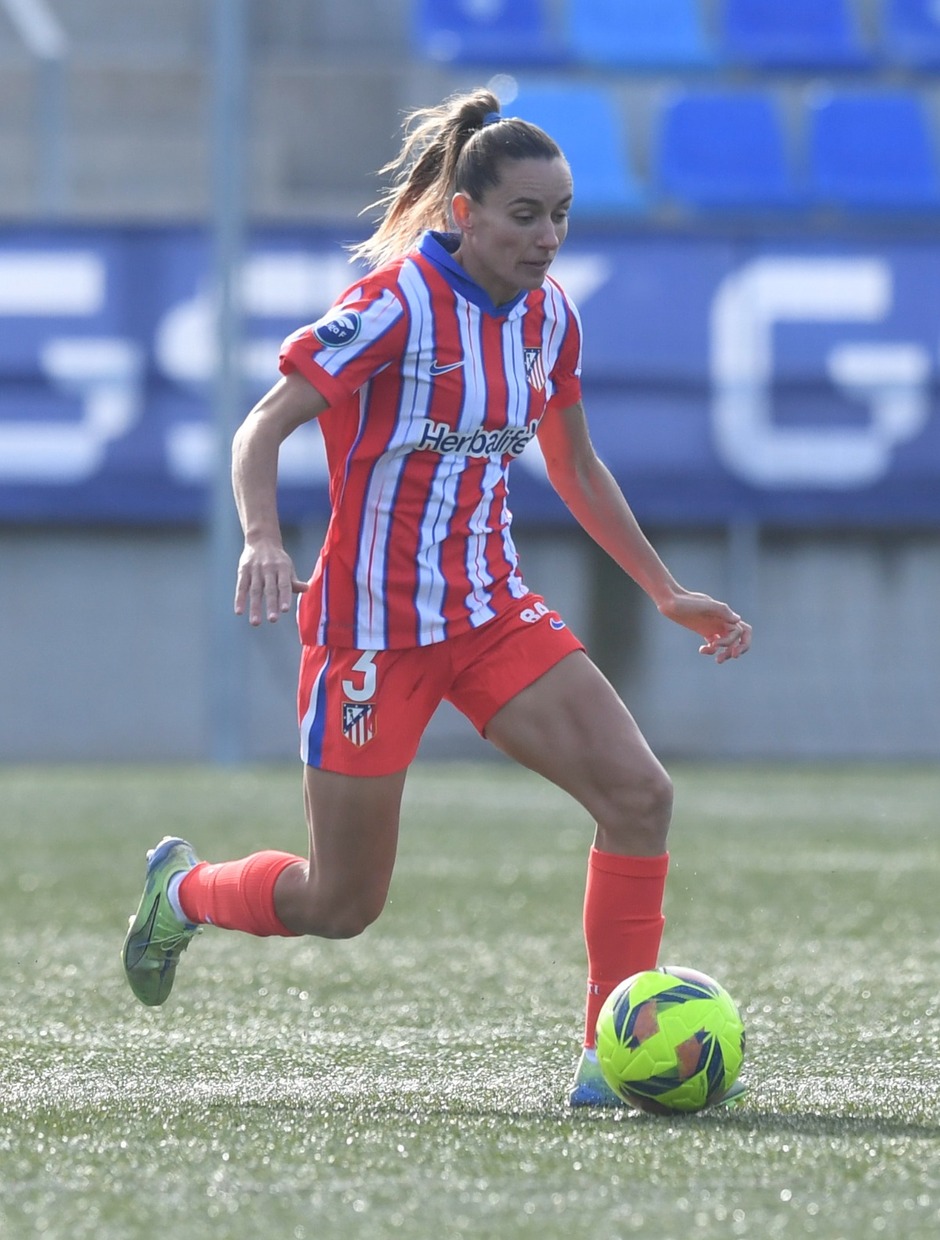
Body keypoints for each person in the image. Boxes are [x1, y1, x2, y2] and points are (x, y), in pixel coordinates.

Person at [121, 87, 751, 1108]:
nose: (546, 237)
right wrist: (262, 537)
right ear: (464, 213)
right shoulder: (393, 307)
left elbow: (578, 469)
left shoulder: (549, 319)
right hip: (370, 638)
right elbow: (260, 428)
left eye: (560, 217)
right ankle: (183, 891)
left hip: (491, 613)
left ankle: (607, 1048)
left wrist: (665, 589)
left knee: (640, 797)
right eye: (523, 215)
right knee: (340, 901)